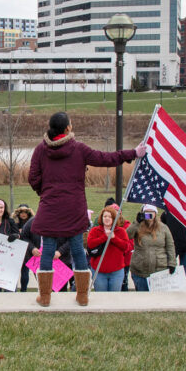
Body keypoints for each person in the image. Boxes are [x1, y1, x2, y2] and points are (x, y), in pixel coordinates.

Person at [28, 111, 145, 306]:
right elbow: (105, 158)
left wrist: (45, 192)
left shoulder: (40, 150)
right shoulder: (78, 149)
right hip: (74, 209)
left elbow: (33, 178)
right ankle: (82, 296)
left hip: (50, 208)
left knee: (47, 250)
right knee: (77, 250)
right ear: (67, 128)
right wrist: (132, 153)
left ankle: (45, 297)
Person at [126, 204, 176, 292]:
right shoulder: (138, 226)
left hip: (159, 270)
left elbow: (170, 246)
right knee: (143, 298)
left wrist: (172, 263)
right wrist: (137, 222)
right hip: (140, 270)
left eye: (151, 212)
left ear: (155, 213)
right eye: (146, 212)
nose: (149, 214)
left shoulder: (163, 228)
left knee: (157, 300)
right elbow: (127, 235)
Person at [20, 214, 72, 292]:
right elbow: (24, 236)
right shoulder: (33, 221)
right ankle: (45, 301)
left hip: (60, 260)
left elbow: (72, 240)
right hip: (38, 259)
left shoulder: (65, 222)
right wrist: (32, 248)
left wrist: (60, 251)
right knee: (44, 287)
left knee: (60, 289)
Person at [88, 206, 128, 292]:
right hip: (99, 271)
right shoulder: (95, 231)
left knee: (114, 298)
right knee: (101, 298)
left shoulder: (121, 231)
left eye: (109, 217)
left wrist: (114, 238)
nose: (107, 218)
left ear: (114, 218)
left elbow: (125, 247)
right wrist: (104, 237)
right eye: (105, 216)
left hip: (116, 272)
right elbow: (90, 244)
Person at [161, 210, 186, 278]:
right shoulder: (167, 212)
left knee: (184, 272)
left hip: (185, 246)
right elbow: (162, 225)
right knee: (169, 269)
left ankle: (183, 285)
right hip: (172, 246)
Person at [13, 204, 34, 292]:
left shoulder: (32, 222)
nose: (23, 214)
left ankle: (24, 290)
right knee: (14, 272)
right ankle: (13, 289)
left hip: (27, 250)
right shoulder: (14, 223)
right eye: (21, 212)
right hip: (15, 249)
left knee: (25, 271)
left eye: (25, 212)